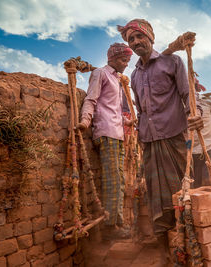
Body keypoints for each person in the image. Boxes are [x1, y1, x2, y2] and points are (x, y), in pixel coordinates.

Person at [117, 19, 203, 261]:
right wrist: (139, 132)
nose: (135, 42)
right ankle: (169, 250)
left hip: (174, 138)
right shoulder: (134, 75)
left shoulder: (172, 62)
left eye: (139, 37)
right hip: (150, 142)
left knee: (181, 194)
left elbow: (188, 96)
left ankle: (190, 247)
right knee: (157, 199)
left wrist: (196, 116)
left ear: (150, 37)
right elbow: (142, 111)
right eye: (131, 39)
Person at [77, 43, 133, 240]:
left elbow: (114, 108)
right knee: (112, 180)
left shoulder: (118, 79)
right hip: (106, 132)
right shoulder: (100, 73)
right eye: (122, 60)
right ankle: (111, 228)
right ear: (111, 58)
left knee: (120, 179)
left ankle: (116, 223)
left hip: (118, 133)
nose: (126, 64)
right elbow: (91, 100)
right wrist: (85, 120)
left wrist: (128, 121)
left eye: (127, 61)